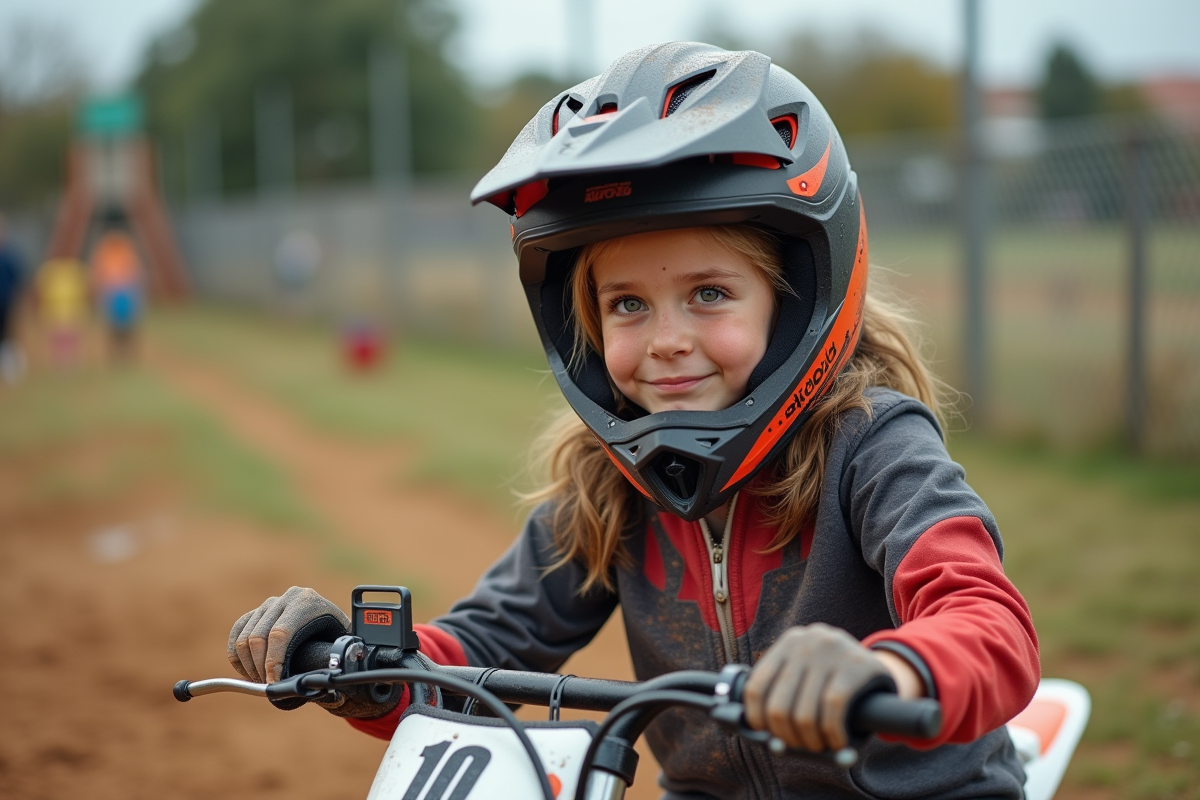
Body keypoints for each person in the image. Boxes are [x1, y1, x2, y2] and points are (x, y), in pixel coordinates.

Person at [227, 43, 1039, 799]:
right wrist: (369, 671)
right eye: (627, 305)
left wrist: (886, 671)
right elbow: (486, 646)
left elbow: (988, 622)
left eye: (710, 293)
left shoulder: (870, 445)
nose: (668, 343)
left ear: (798, 302)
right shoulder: (607, 484)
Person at [90, 227, 144, 361]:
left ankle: (127, 353)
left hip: (125, 291)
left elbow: (136, 272)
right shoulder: (105, 251)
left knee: (128, 326)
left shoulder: (126, 250)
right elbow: (97, 272)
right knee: (113, 326)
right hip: (111, 292)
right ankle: (115, 354)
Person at [36, 257, 90, 369]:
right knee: (58, 341)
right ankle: (60, 366)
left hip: (73, 312)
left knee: (71, 340)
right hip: (53, 312)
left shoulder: (76, 269)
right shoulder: (49, 270)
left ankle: (71, 365)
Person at [0, 214, 27, 384]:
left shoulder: (10, 255)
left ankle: (11, 371)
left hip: (6, 303)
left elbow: (18, 281)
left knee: (8, 336)